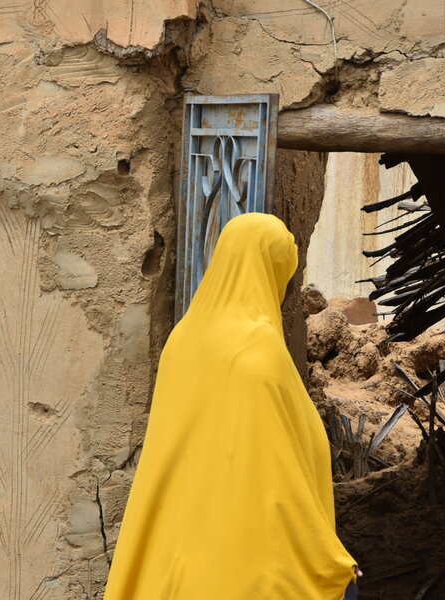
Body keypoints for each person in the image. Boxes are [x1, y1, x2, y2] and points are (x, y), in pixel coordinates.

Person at [103, 213, 359, 599]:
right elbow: (275, 474)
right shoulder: (258, 350)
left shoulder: (183, 338)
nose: (288, 288)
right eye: (285, 274)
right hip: (239, 566)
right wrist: (324, 559)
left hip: (174, 553)